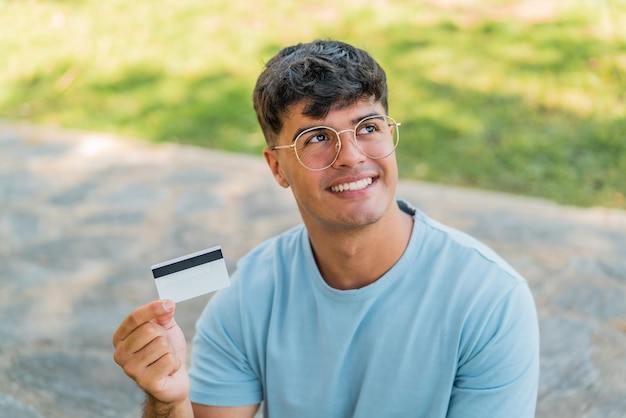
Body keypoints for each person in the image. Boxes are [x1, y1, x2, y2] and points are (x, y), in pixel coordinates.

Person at [113, 39, 539, 418]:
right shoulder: (251, 293)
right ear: (277, 167)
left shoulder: (491, 299)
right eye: (317, 137)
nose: (351, 156)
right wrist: (168, 402)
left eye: (368, 127)